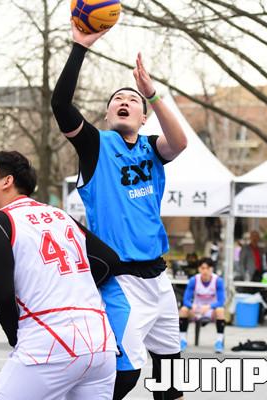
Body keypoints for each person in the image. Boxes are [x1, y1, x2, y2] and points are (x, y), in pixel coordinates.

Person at [51, 21, 188, 400]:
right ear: (108, 115)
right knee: (123, 376)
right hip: (122, 281)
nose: (124, 101)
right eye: (117, 100)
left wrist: (152, 93)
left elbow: (180, 142)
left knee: (170, 379)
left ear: (144, 117)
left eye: (133, 100)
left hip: (158, 278)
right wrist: (80, 46)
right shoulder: (96, 146)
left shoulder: (152, 148)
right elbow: (61, 105)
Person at [0, 151, 119, 399]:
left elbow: (2, 294)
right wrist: (72, 283)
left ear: (7, 181)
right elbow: (109, 260)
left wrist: (16, 339)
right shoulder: (61, 215)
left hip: (49, 341)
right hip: (100, 343)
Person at [178, 258, 226, 353]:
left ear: (212, 269)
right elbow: (186, 300)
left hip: (211, 311)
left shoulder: (218, 281)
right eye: (203, 268)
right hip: (196, 310)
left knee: (220, 310)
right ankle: (182, 340)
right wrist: (192, 306)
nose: (205, 271)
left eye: (207, 268)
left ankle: (219, 341)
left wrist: (209, 307)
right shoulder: (194, 280)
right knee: (183, 310)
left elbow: (221, 301)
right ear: (199, 269)